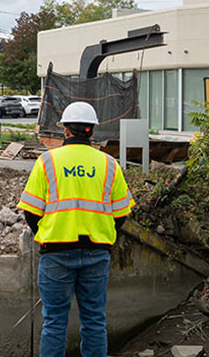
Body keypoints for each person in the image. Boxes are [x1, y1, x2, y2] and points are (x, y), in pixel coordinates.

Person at [16, 101, 133, 357]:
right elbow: (121, 214)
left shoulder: (47, 162)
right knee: (94, 321)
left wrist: (48, 234)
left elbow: (31, 212)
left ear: (66, 130)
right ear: (91, 131)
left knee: (55, 322)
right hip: (96, 253)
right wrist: (101, 231)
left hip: (56, 253)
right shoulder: (109, 164)